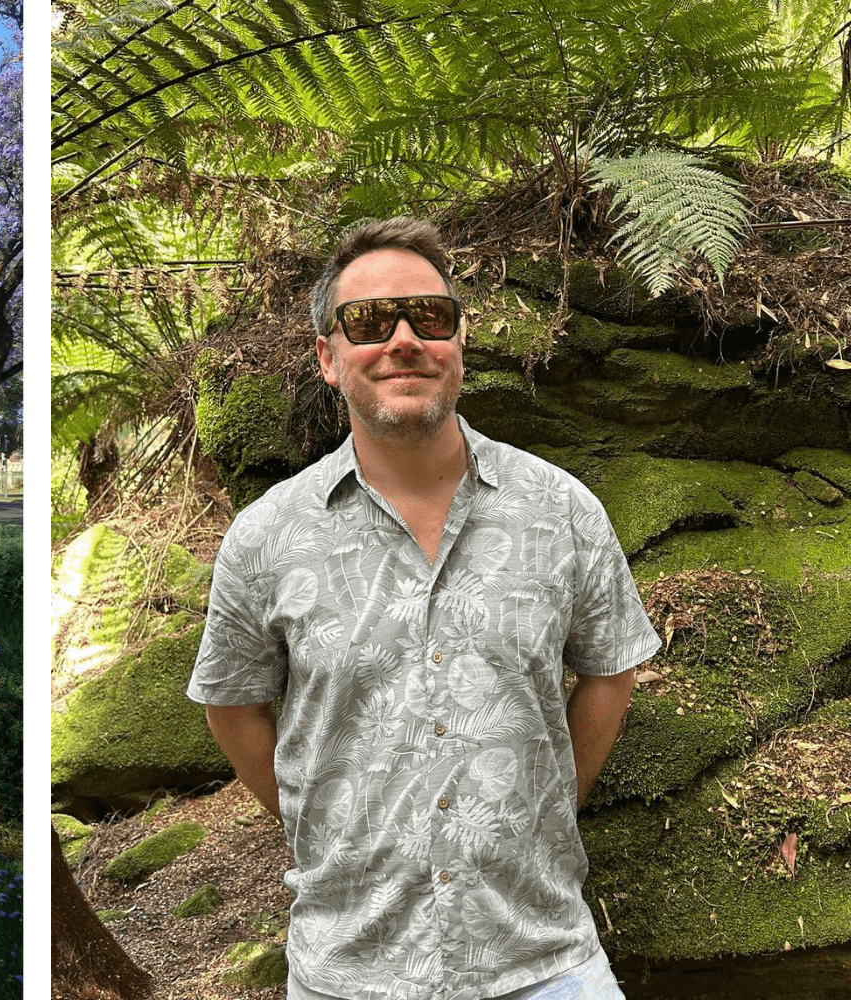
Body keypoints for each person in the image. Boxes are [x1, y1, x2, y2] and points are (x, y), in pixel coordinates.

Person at [187, 218, 660, 1000]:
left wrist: (550, 800)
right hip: (349, 967)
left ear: (459, 343)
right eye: (369, 322)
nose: (402, 339)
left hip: (544, 961)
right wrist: (319, 821)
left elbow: (611, 667)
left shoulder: (563, 510)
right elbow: (232, 704)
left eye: (428, 317)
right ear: (328, 358)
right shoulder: (265, 537)